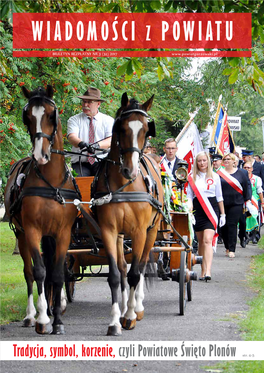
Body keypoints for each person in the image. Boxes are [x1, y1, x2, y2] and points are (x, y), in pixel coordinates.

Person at [187, 151, 225, 282]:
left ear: (208, 162)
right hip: (198, 209)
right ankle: (202, 270)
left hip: (212, 209)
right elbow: (189, 196)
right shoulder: (192, 177)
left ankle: (208, 270)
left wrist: (223, 214)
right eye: (199, 161)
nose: (202, 163)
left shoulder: (215, 176)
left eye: (204, 160)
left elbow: (219, 197)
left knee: (208, 240)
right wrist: (190, 208)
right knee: (201, 241)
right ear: (196, 163)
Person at [67, 87, 114, 176]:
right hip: (80, 163)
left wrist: (97, 146)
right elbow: (71, 137)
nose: (85, 104)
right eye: (84, 101)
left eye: (89, 102)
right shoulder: (74, 120)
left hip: (102, 162)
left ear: (98, 104)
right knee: (81, 186)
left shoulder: (108, 120)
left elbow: (110, 140)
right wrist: (81, 144)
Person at [217, 153, 251, 258]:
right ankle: (227, 246)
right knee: (223, 226)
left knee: (232, 225)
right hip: (222, 203)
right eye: (225, 159)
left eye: (229, 159)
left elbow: (247, 186)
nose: (226, 161)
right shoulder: (218, 173)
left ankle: (232, 249)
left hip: (237, 203)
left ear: (234, 162)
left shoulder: (242, 173)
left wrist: (247, 201)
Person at [243, 161, 264, 243]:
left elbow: (260, 191)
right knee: (244, 219)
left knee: (255, 218)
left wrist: (262, 202)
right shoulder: (241, 177)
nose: (247, 169)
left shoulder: (256, 178)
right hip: (244, 201)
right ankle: (245, 236)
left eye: (248, 168)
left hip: (254, 201)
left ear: (252, 169)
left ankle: (254, 236)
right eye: (245, 167)